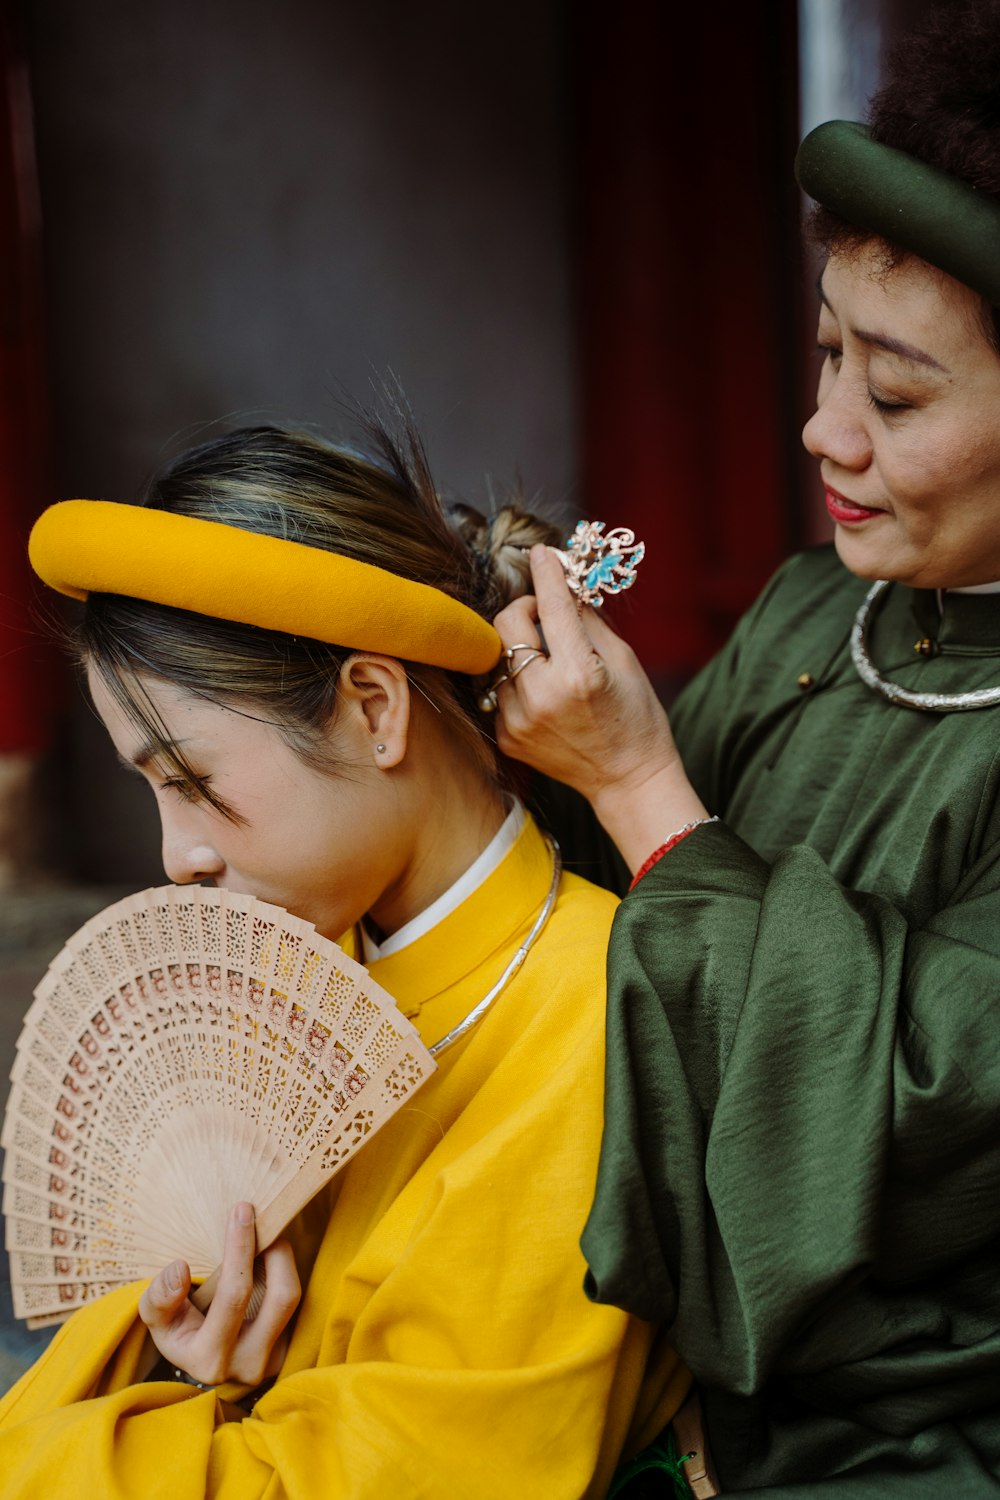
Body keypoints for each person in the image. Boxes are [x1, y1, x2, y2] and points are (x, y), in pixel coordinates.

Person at [490, 8, 1000, 1496]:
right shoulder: (812, 612)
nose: (820, 430)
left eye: (894, 396)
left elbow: (920, 1108)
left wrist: (644, 787)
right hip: (666, 1362)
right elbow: (589, 931)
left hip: (924, 1427)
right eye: (829, 353)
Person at [0, 419, 690, 1497]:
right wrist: (209, 1372)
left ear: (374, 708)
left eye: (188, 780)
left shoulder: (596, 1019)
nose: (175, 858)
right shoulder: (286, 976)